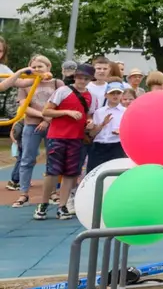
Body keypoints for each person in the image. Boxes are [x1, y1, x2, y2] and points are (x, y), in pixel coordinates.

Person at [35, 63, 94, 220]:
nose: (82, 80)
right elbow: (46, 111)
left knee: (70, 173)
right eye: (80, 77)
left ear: (90, 79)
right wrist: (66, 112)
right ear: (74, 77)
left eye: (86, 78)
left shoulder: (90, 95)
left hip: (76, 138)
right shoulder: (62, 91)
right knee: (52, 172)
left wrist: (89, 122)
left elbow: (88, 114)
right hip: (57, 136)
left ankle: (62, 206)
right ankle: (43, 204)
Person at [4, 56, 57, 207]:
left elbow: (59, 104)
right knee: (27, 158)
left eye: (41, 66)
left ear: (48, 67)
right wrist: (43, 116)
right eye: (34, 67)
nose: (37, 69)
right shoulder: (26, 84)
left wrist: (47, 120)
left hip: (51, 125)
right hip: (31, 124)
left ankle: (52, 192)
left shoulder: (56, 83)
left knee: (52, 158)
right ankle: (23, 193)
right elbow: (23, 106)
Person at [84, 82, 127, 173]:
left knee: (115, 174)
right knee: (94, 173)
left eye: (118, 93)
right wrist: (102, 124)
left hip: (117, 146)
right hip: (99, 146)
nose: (115, 96)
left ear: (122, 95)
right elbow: (92, 134)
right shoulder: (99, 112)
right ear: (106, 95)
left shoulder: (126, 112)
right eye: (112, 93)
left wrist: (122, 131)